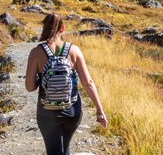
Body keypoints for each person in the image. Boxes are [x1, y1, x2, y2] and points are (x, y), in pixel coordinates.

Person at [25, 14, 108, 155]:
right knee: (65, 148)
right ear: (62, 28)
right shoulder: (74, 51)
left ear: (44, 28)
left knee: (54, 151)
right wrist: (100, 111)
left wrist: (41, 79)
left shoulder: (36, 53)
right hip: (72, 111)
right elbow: (88, 83)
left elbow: (29, 87)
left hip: (47, 112)